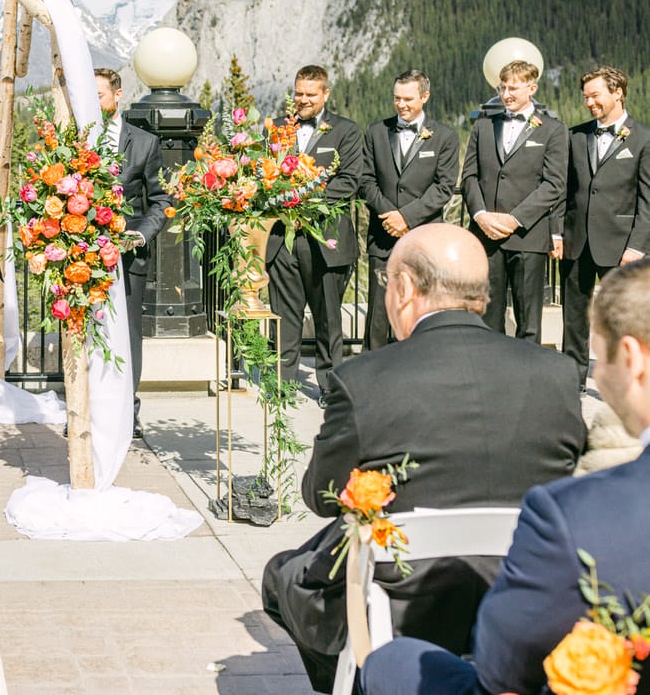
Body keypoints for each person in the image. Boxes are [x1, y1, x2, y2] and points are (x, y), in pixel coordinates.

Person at [261, 224, 585, 693]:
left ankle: (365, 676)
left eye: (386, 283)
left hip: (406, 599)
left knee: (285, 578)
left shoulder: (363, 378)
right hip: (526, 587)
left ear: (406, 288)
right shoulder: (556, 373)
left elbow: (322, 494)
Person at [361, 257, 650, 695]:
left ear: (631, 359)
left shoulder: (574, 518)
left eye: (598, 355)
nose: (598, 374)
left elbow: (500, 667)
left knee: (392, 662)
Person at [264, 65, 364, 399]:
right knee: (285, 318)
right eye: (298, 93)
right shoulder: (277, 129)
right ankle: (283, 385)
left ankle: (330, 388)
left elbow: (349, 181)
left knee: (328, 321)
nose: (303, 100)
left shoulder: (346, 131)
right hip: (283, 241)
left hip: (327, 240)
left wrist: (301, 200)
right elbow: (263, 174)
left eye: (310, 94)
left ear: (325, 94)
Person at [554, 66, 650, 390]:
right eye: (585, 97)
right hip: (576, 241)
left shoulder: (644, 139)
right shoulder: (575, 136)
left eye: (595, 95)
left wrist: (636, 246)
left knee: (621, 317)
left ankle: (625, 379)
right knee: (574, 316)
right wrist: (558, 233)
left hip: (621, 246)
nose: (589, 102)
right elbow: (563, 191)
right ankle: (573, 378)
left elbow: (647, 201)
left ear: (617, 92)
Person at [460, 59, 567, 344]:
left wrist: (514, 219)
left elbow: (554, 185)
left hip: (527, 235)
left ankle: (527, 382)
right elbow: (469, 176)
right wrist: (481, 214)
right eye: (503, 87)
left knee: (528, 319)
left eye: (514, 88)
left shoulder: (553, 130)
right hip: (486, 234)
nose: (506, 94)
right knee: (487, 316)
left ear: (532, 88)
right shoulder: (483, 126)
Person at [358, 70, 458, 350]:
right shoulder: (376, 131)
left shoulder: (445, 137)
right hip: (383, 235)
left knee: (420, 309)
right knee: (378, 314)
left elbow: (444, 187)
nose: (401, 104)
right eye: (396, 98)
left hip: (423, 237)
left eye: (408, 99)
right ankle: (373, 376)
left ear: (424, 97)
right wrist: (390, 215)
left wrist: (406, 217)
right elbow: (366, 181)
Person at [95, 68, 170, 438]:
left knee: (127, 335)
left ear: (118, 95)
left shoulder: (144, 142)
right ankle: (85, 408)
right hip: (82, 256)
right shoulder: (76, 138)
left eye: (100, 95)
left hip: (128, 259)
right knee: (86, 333)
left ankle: (129, 411)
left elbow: (160, 201)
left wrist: (138, 237)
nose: (94, 103)